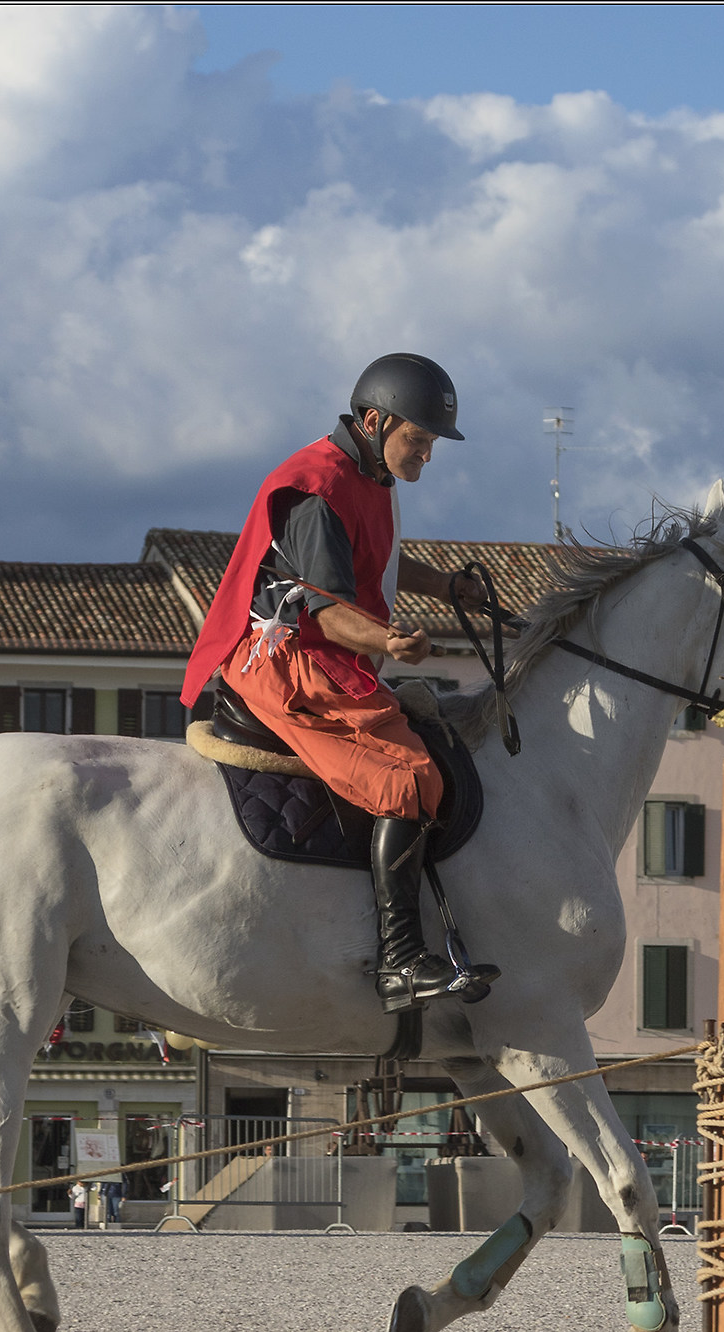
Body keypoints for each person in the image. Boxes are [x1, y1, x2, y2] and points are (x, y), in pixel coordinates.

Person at [180, 354, 498, 1013]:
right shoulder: (318, 489)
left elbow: (375, 563)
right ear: (375, 422)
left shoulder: (368, 473)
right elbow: (325, 611)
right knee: (408, 779)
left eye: (433, 443)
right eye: (420, 439)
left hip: (326, 655)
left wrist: (446, 586)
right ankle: (399, 963)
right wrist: (389, 642)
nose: (428, 455)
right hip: (285, 661)